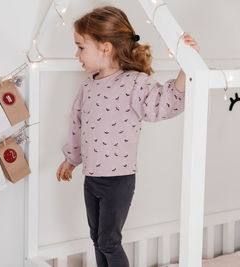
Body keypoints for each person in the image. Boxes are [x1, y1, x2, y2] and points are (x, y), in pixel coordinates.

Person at [56, 5, 200, 267]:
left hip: (118, 180)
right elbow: (77, 127)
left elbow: (163, 103)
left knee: (109, 241)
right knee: (97, 238)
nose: (77, 54)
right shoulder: (86, 88)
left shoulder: (134, 82)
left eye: (81, 47)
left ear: (105, 48)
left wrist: (186, 68)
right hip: (91, 179)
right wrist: (71, 159)